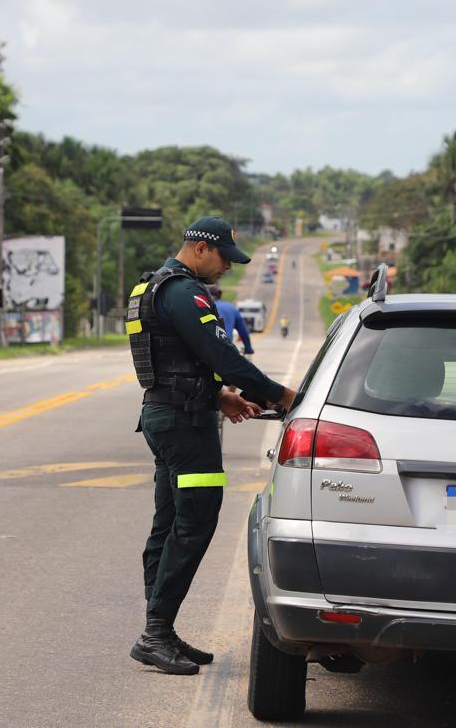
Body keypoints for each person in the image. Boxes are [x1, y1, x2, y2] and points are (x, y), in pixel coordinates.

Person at [125, 216, 296, 676]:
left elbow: (168, 362)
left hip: (167, 415)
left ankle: (159, 627)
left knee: (169, 523)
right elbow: (222, 356)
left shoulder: (150, 288)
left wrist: (218, 395)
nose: (226, 268)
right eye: (223, 258)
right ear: (200, 248)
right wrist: (282, 396)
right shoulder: (184, 292)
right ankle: (156, 632)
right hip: (184, 425)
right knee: (195, 521)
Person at [206, 284, 254, 355]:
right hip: (227, 350)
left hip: (206, 351)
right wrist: (248, 349)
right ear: (220, 295)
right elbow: (243, 332)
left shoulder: (203, 307)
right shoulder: (231, 307)